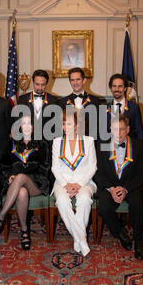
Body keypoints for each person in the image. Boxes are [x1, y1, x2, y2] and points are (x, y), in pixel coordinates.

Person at [0, 116, 51, 250]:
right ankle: (24, 231)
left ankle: (0, 218)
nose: (26, 126)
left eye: (29, 123)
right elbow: (3, 166)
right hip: (16, 186)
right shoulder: (11, 144)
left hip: (37, 184)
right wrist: (9, 176)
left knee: (21, 177)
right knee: (21, 192)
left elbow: (45, 168)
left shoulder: (42, 144)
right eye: (23, 123)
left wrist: (22, 173)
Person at [95, 115, 143, 260]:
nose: (119, 133)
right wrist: (111, 189)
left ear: (128, 129)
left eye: (122, 129)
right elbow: (99, 174)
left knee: (137, 205)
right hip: (110, 186)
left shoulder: (139, 146)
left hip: (131, 186)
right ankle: (120, 233)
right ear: (111, 130)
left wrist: (125, 189)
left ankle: (138, 241)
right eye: (116, 129)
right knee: (103, 207)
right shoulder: (103, 146)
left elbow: (141, 175)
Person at [51, 108, 97, 257]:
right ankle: (81, 240)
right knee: (62, 201)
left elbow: (92, 167)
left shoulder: (88, 141)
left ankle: (78, 239)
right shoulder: (57, 142)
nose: (65, 127)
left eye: (69, 124)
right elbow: (55, 168)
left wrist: (79, 184)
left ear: (77, 125)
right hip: (62, 182)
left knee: (84, 200)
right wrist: (66, 185)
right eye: (63, 124)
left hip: (85, 182)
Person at [16, 69, 60, 142]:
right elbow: (18, 122)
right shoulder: (22, 99)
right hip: (28, 142)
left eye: (43, 85)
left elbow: (56, 126)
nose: (40, 88)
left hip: (47, 144)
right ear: (33, 82)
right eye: (37, 84)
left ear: (47, 83)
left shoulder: (54, 100)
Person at [59, 67, 100, 139]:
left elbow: (99, 127)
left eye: (78, 79)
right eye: (72, 80)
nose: (75, 83)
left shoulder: (95, 101)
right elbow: (60, 127)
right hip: (69, 142)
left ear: (84, 80)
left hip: (90, 142)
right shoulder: (62, 102)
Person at [107, 73, 143, 140]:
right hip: (110, 149)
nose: (117, 89)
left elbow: (139, 132)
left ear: (125, 88)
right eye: (114, 86)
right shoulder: (105, 109)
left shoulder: (134, 108)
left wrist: (138, 149)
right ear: (111, 88)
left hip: (130, 148)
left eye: (120, 86)